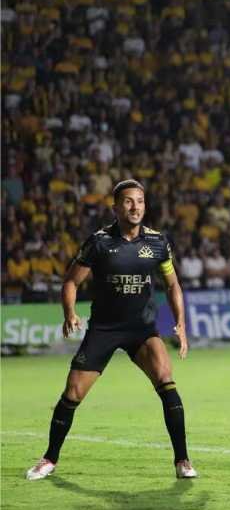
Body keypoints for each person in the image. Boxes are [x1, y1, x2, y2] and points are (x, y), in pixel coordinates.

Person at [25, 180, 194, 481]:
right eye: (128, 202)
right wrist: (70, 313)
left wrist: (180, 321)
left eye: (140, 201)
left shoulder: (157, 242)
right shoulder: (99, 242)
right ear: (115, 207)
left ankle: (182, 461)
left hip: (141, 329)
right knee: (73, 392)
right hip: (104, 329)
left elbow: (172, 284)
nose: (135, 207)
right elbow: (71, 282)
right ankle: (49, 459)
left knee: (166, 380)